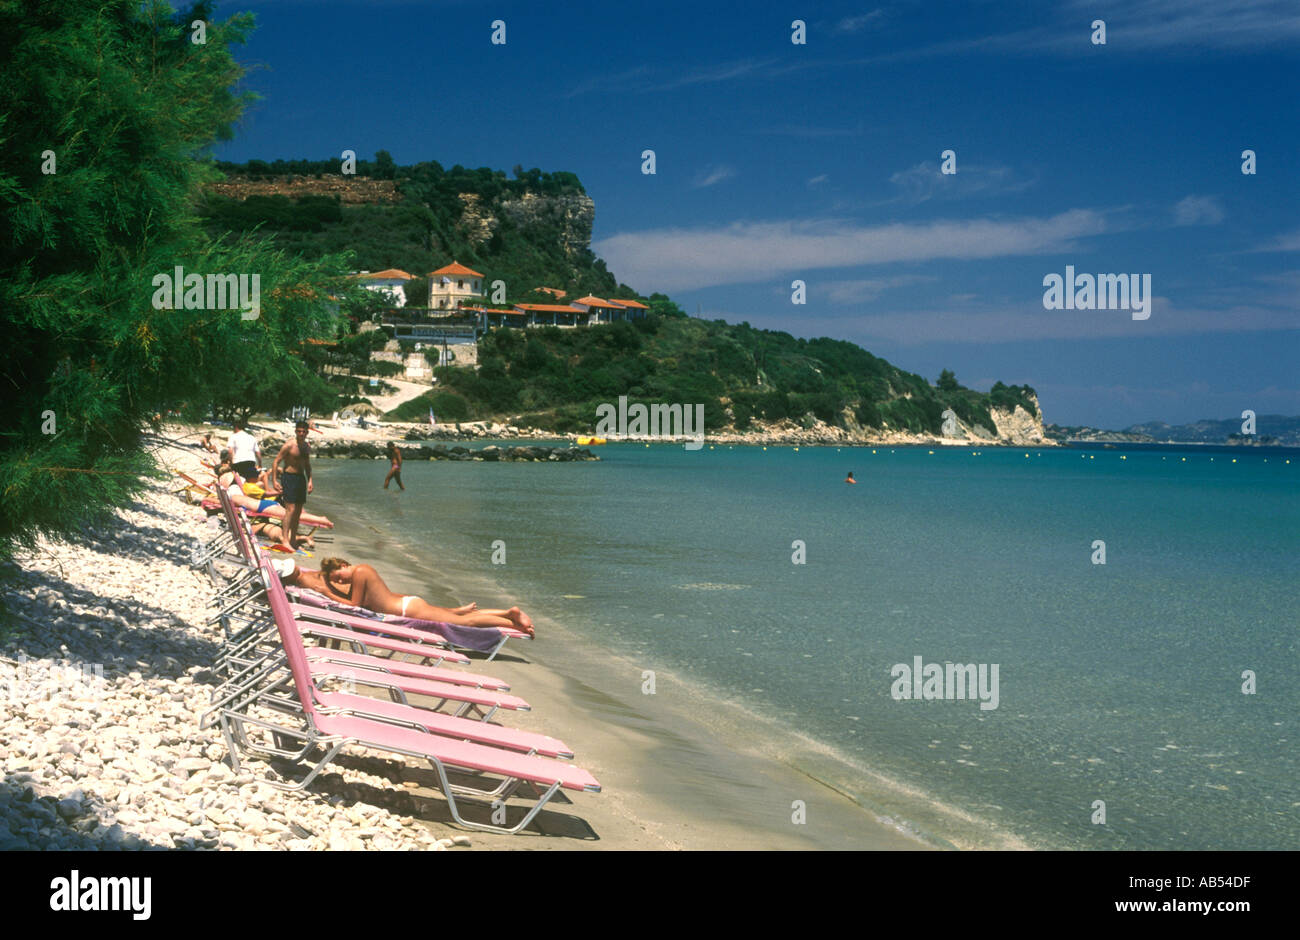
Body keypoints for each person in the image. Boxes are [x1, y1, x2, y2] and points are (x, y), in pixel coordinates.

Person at [283, 556, 534, 636]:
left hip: (407, 610)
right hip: (406, 604)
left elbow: (354, 605)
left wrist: (327, 592)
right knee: (457, 615)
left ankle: (512, 623)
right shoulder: (362, 571)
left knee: (464, 622)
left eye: (338, 575)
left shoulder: (360, 572)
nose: (339, 581)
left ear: (343, 565)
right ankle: (506, 613)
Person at [271, 420, 313, 553]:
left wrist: (310, 480)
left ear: (307, 432)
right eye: (299, 431)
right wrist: (274, 481)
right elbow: (276, 461)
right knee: (290, 509)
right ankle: (285, 540)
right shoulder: (289, 445)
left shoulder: (306, 446)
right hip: (289, 478)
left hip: (301, 479)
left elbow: (307, 465)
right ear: (295, 431)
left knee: (298, 511)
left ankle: (293, 540)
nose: (301, 434)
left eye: (304, 432)